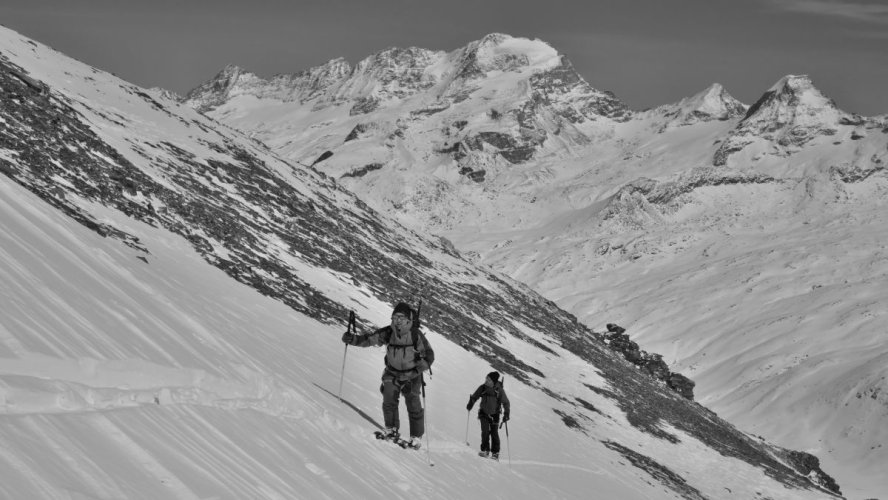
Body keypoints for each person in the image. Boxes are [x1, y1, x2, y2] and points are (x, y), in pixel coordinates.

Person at [342, 302, 434, 449]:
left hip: (412, 375)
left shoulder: (416, 334)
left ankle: (416, 437)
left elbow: (430, 354)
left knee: (413, 405)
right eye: (395, 316)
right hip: (392, 372)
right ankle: (391, 430)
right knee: (389, 400)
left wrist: (422, 366)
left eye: (401, 317)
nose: (397, 320)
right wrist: (352, 339)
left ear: (408, 319)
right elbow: (370, 339)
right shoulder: (388, 332)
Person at [466, 371, 510, 460]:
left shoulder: (499, 390)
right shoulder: (482, 388)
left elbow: (506, 402)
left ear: (493, 381)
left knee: (494, 433)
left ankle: (495, 453)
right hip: (483, 413)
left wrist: (506, 413)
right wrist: (470, 403)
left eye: (488, 379)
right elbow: (475, 396)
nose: (486, 380)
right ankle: (485, 450)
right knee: (485, 432)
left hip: (495, 414)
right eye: (486, 378)